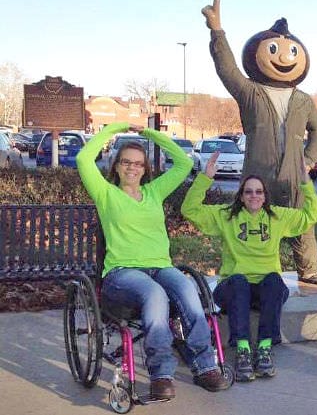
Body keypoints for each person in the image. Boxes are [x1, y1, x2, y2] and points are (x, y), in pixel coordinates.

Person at [76, 122, 230, 400]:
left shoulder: (154, 192)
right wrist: (119, 128)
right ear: (116, 166)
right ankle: (161, 373)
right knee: (155, 294)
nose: (132, 168)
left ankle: (206, 365)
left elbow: (183, 162)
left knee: (188, 291)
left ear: (145, 169)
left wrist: (148, 133)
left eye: (138, 164)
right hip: (122, 272)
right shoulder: (105, 193)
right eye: (126, 162)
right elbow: (83, 158)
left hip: (161, 267)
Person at [202, 0, 317, 286]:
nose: (285, 56)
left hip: (293, 176)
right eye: (275, 49)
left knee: (303, 220)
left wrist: (309, 160)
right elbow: (227, 70)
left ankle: (309, 269)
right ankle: (247, 271)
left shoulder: (303, 99)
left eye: (291, 51)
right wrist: (217, 31)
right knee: (249, 221)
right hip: (257, 175)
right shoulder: (251, 92)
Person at [181, 151, 317, 382]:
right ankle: (243, 350)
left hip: (265, 290)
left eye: (259, 192)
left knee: (275, 280)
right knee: (239, 281)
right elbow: (190, 210)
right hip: (234, 288)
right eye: (248, 192)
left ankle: (265, 347)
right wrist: (205, 178)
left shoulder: (278, 217)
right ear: (242, 196)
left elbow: (310, 214)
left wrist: (305, 183)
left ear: (265, 196)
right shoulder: (226, 216)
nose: (254, 196)